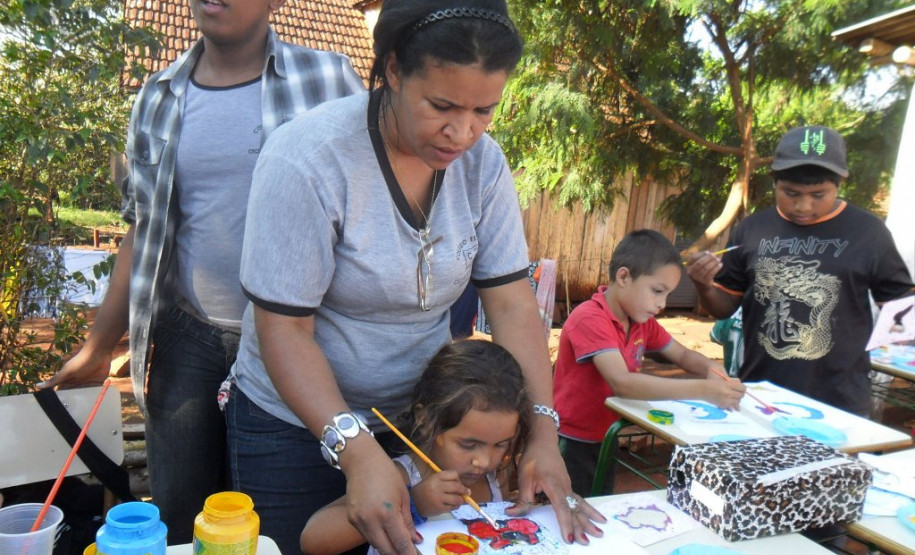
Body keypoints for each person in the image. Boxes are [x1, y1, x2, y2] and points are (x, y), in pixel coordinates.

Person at [227, 1, 605, 553]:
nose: (462, 133)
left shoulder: (483, 165)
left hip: (419, 422)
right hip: (290, 421)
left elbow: (512, 305)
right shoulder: (308, 161)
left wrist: (543, 433)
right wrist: (357, 452)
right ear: (395, 70)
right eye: (442, 105)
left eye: (484, 111)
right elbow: (284, 330)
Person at [38, 0, 364, 543]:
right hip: (189, 339)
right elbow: (143, 230)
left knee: (273, 522)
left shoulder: (330, 78)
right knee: (183, 517)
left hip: (301, 342)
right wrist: (98, 348)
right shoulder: (158, 97)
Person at [686, 125, 915, 417]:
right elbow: (723, 307)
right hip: (762, 396)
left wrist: (902, 333)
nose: (803, 206)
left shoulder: (869, 232)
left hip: (840, 402)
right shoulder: (752, 229)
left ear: (840, 183)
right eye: (790, 193)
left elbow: (901, 305)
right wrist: (703, 284)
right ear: (774, 182)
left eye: (818, 195)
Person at [553, 230, 746, 496]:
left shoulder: (642, 323)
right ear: (623, 277)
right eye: (657, 291)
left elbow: (683, 356)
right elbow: (623, 383)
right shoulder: (590, 318)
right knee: (575, 509)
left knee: (599, 501)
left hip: (605, 435)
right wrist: (704, 390)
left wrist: (713, 371)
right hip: (573, 440)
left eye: (667, 294)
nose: (662, 304)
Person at [300, 340, 534, 555]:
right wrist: (414, 503)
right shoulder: (401, 476)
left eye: (500, 444)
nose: (484, 461)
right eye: (468, 444)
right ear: (425, 420)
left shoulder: (497, 475)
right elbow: (313, 539)